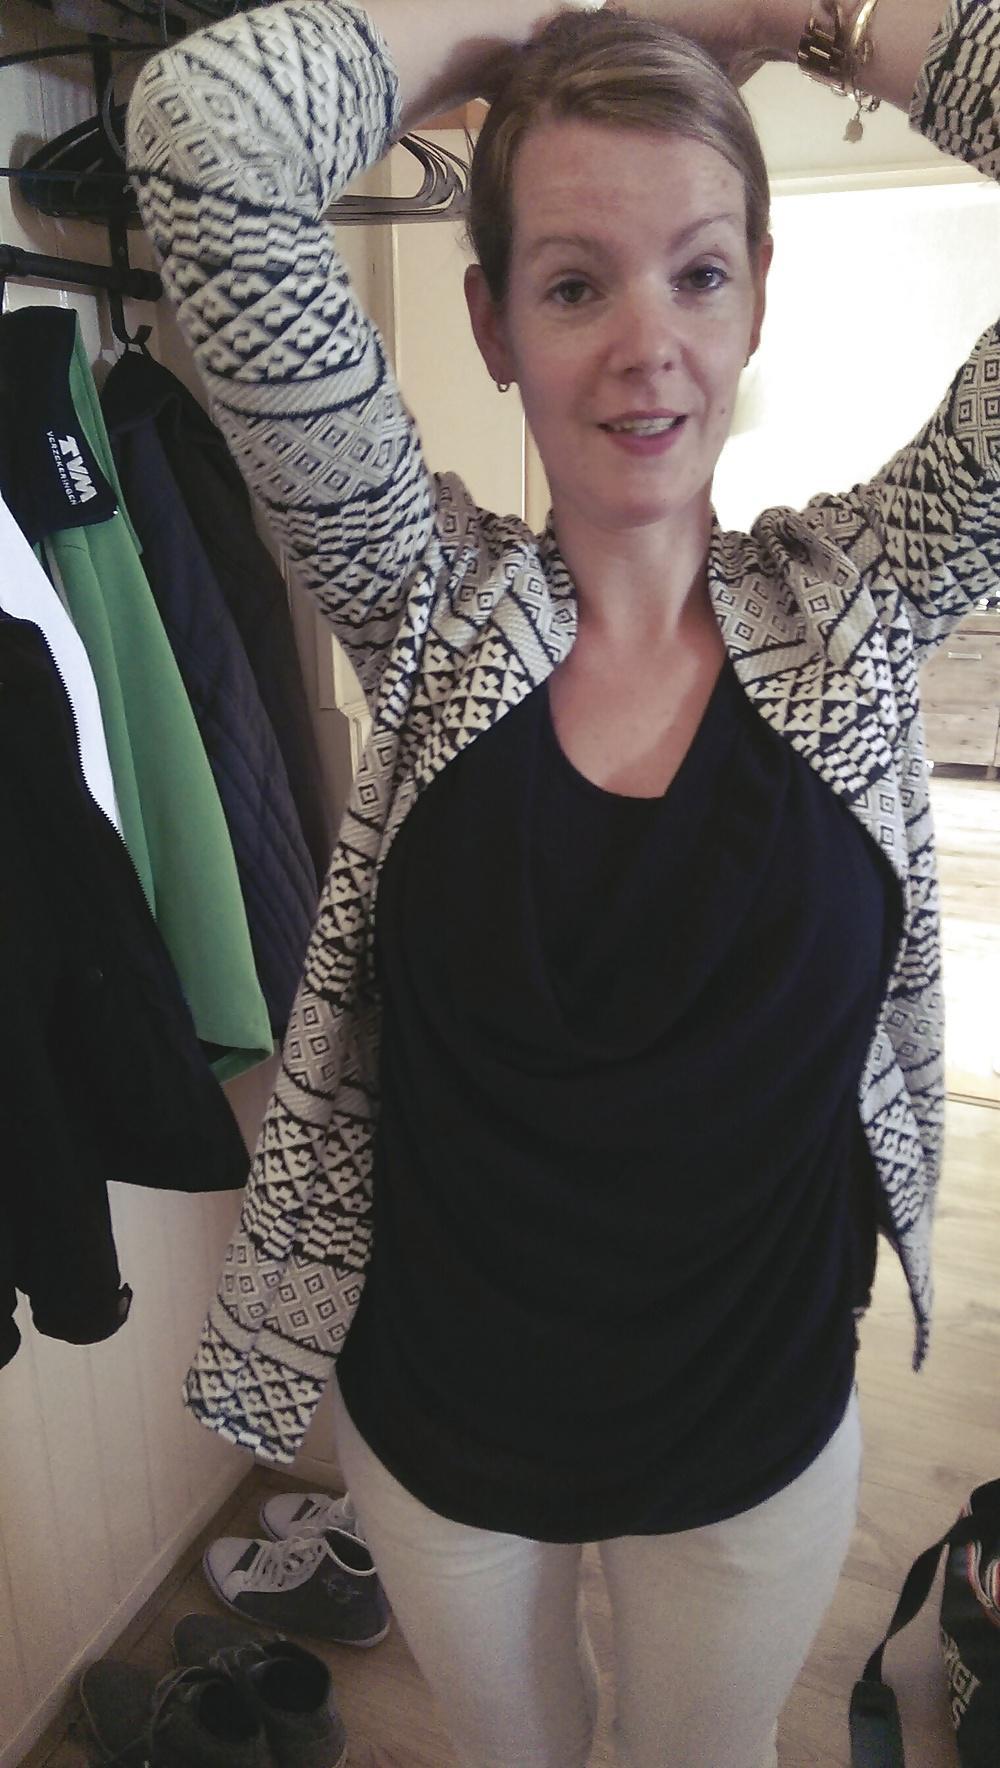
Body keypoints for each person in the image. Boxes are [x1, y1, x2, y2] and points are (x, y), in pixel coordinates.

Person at [127, 1, 999, 1763]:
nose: (647, 350)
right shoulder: (426, 602)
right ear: (494, 324)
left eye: (699, 275)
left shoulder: (864, 604)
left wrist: (811, 21)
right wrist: (523, 33)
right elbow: (202, 130)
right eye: (576, 283)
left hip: (754, 1446)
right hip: (444, 1443)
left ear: (757, 295)